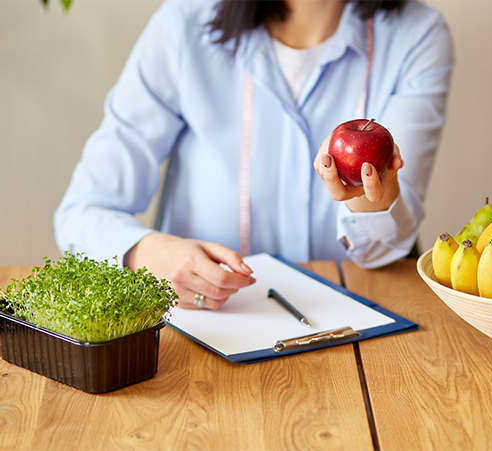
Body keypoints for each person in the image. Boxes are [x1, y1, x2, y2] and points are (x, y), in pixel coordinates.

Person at [54, 0, 454, 311]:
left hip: (356, 337)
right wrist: (148, 252)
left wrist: (376, 201)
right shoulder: (182, 26)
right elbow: (82, 213)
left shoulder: (417, 36)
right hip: (212, 332)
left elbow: (388, 248)